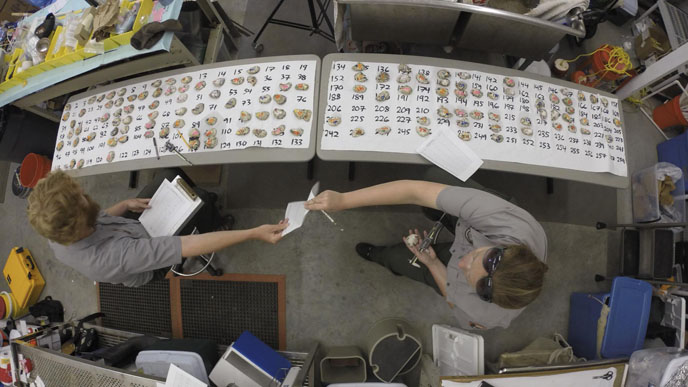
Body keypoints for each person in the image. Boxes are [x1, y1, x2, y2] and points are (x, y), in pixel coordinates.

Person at [305, 179, 548, 330]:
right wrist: (344, 200)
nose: (461, 263)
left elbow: (452, 296)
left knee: (398, 259)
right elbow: (415, 190)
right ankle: (438, 214)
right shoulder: (509, 223)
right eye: (475, 258)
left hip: (447, 258)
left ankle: (378, 255)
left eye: (468, 278)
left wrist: (432, 263)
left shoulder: (484, 313)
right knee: (433, 181)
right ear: (506, 248)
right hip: (477, 225)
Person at [26, 170, 288, 287]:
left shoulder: (57, 233)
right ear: (79, 223)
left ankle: (204, 205)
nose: (85, 193)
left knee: (169, 172)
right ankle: (212, 216)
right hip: (147, 266)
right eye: (82, 198)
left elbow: (101, 216)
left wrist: (125, 204)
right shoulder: (112, 258)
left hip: (129, 231)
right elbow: (188, 246)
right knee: (202, 202)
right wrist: (253, 233)